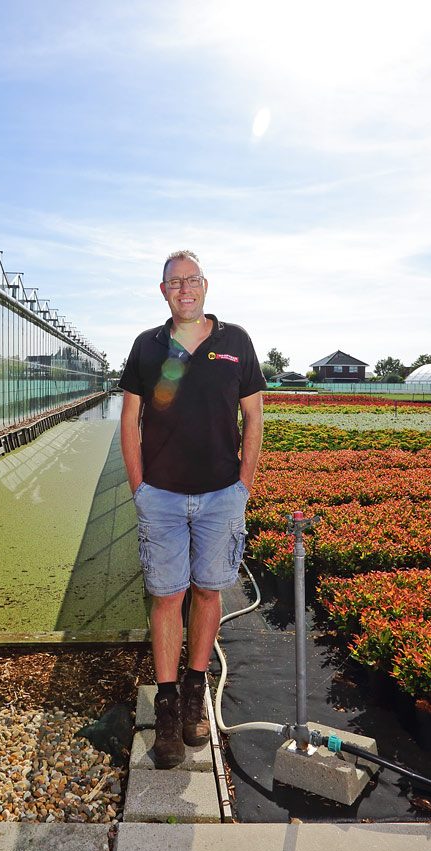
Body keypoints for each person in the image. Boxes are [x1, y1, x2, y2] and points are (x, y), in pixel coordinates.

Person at [118, 250, 266, 768]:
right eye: (174, 282)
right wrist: (140, 487)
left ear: (206, 286)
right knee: (165, 596)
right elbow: (130, 421)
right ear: (163, 292)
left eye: (192, 279)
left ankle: (195, 690)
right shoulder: (146, 346)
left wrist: (242, 485)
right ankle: (165, 707)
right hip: (159, 497)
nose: (184, 288)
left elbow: (253, 418)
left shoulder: (236, 343)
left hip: (221, 496)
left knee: (207, 591)